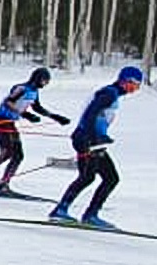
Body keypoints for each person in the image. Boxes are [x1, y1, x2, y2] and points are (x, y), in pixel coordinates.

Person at [49, 65, 144, 229]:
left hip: (91, 140)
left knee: (104, 178)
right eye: (135, 84)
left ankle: (85, 214)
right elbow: (90, 114)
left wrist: (101, 136)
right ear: (126, 81)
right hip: (87, 140)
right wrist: (94, 139)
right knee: (99, 177)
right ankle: (69, 212)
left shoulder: (112, 94)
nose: (136, 89)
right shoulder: (109, 93)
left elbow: (97, 118)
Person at [0, 67, 69, 194]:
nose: (46, 84)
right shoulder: (21, 88)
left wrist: (55, 117)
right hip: (0, 121)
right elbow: (8, 102)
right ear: (37, 78)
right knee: (8, 153)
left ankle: (1, 183)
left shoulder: (34, 92)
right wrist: (25, 114)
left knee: (18, 155)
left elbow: (37, 108)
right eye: (44, 81)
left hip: (10, 124)